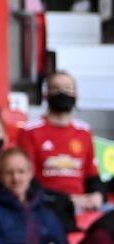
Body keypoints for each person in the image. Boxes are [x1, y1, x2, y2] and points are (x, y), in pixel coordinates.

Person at [21, 71, 106, 222]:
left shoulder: (84, 131)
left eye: (68, 89)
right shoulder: (30, 131)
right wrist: (66, 200)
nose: (62, 93)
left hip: (83, 205)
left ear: (76, 95)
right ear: (47, 95)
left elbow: (92, 175)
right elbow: (26, 180)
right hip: (46, 205)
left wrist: (98, 195)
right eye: (56, 89)